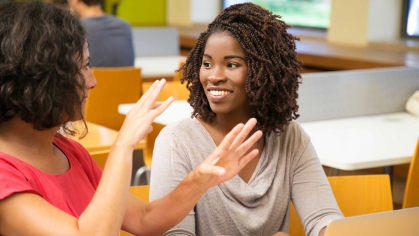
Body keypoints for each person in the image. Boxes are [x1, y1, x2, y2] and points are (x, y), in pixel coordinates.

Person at [0, 2, 263, 236]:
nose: (93, 82)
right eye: (83, 68)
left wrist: (200, 180)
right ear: (39, 78)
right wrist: (122, 145)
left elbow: (144, 219)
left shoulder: (69, 152)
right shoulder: (5, 176)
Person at [149, 3, 344, 236]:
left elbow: (323, 217)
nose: (214, 76)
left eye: (232, 65)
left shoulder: (289, 137)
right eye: (207, 63)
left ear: (264, 71)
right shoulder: (177, 141)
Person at [67, 0, 135, 67]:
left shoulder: (77, 28)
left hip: (93, 78)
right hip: (126, 78)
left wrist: (69, 17)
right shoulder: (124, 27)